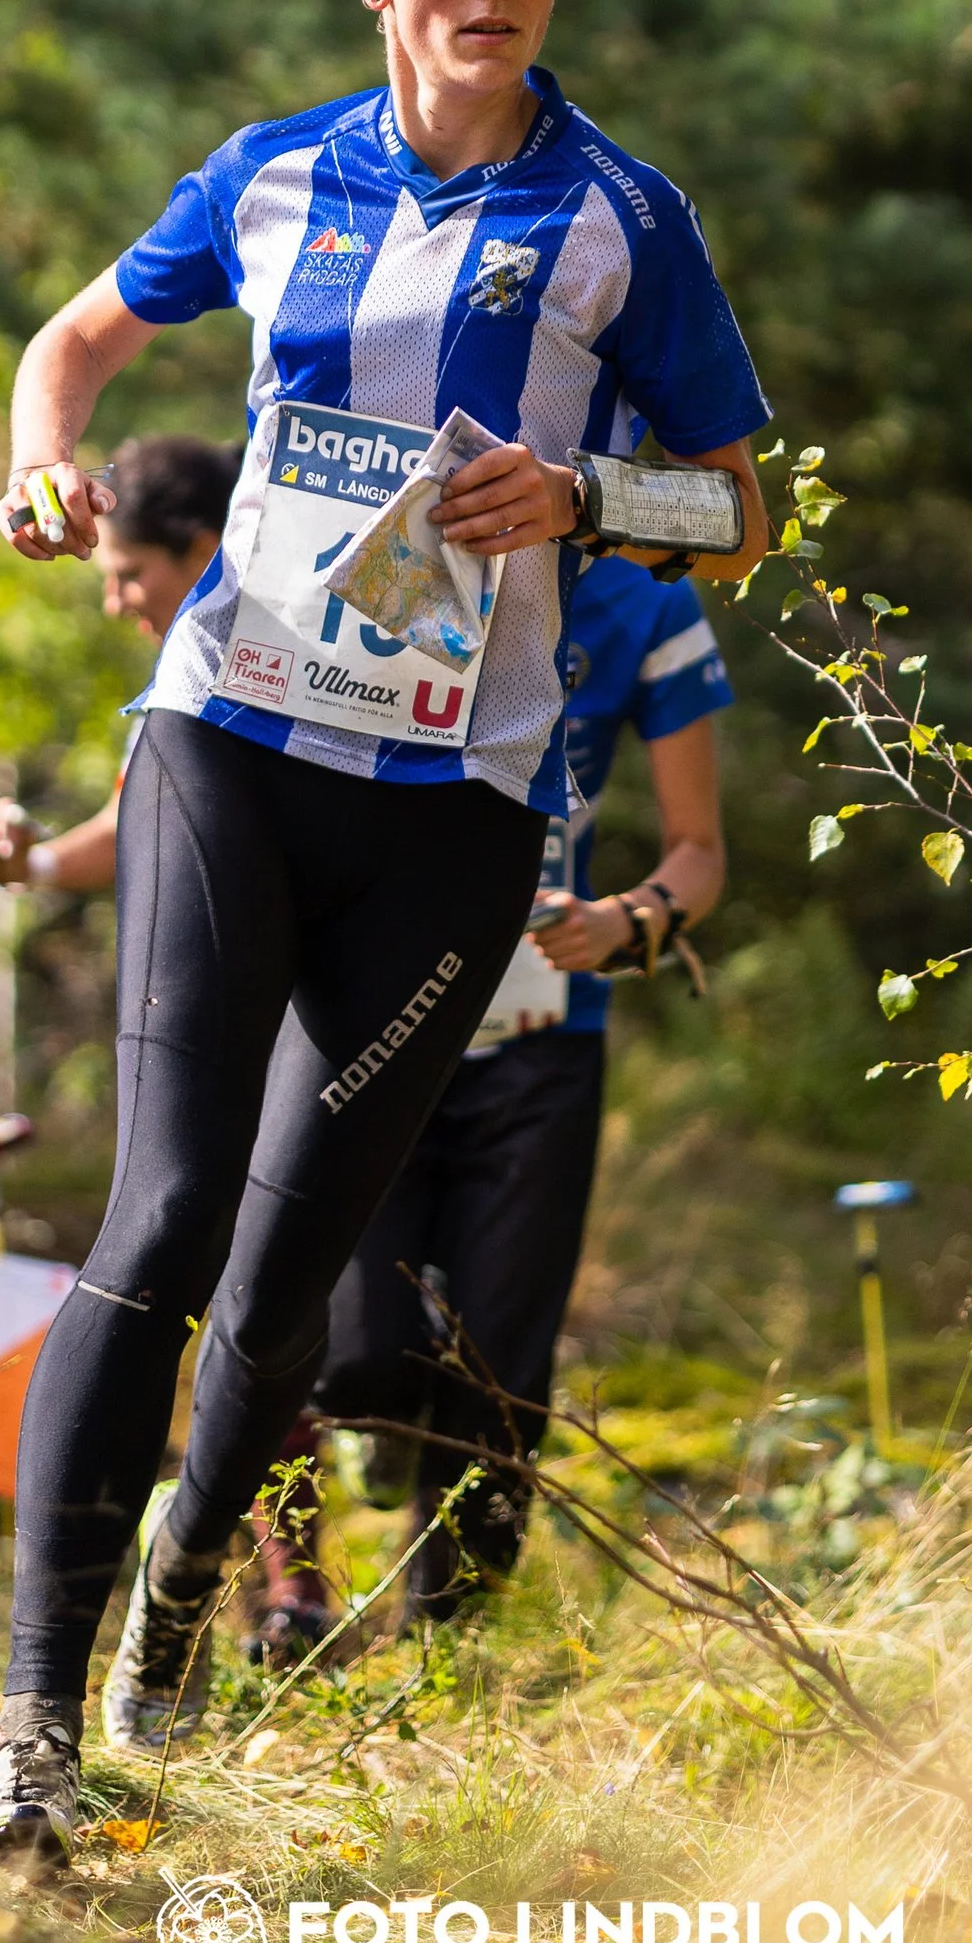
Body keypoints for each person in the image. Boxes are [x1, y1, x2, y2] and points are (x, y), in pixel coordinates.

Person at [0, 0, 768, 1860]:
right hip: (228, 733)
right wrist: (44, 467)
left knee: (296, 1276)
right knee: (158, 1211)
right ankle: (36, 1725)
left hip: (456, 806)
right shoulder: (271, 176)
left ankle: (179, 1583)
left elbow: (745, 508)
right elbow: (73, 341)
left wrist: (588, 501)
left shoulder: (619, 219)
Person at [273, 544, 732, 1642]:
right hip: (371, 1025)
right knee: (356, 1355)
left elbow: (698, 850)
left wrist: (625, 924)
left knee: (502, 1374)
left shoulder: (647, 599)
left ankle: (452, 1652)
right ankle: (362, 1444)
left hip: (540, 1039)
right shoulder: (395, 543)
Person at [0, 433, 240, 899]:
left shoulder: (281, 665)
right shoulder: (180, 676)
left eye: (129, 575)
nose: (114, 605)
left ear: (204, 550)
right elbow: (125, 827)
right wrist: (27, 864)